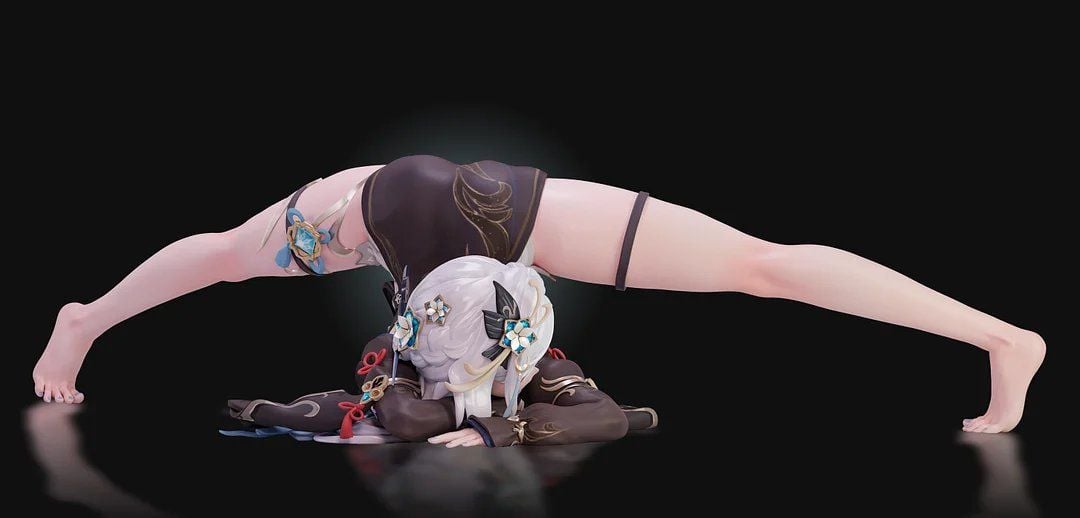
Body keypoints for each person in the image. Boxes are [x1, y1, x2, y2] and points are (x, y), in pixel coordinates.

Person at [34, 155, 1044, 434]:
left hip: (425, 211)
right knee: (763, 265)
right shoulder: (441, 310)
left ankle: (999, 335)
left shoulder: (383, 249)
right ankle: (998, 336)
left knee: (762, 265)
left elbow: (225, 256)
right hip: (493, 212)